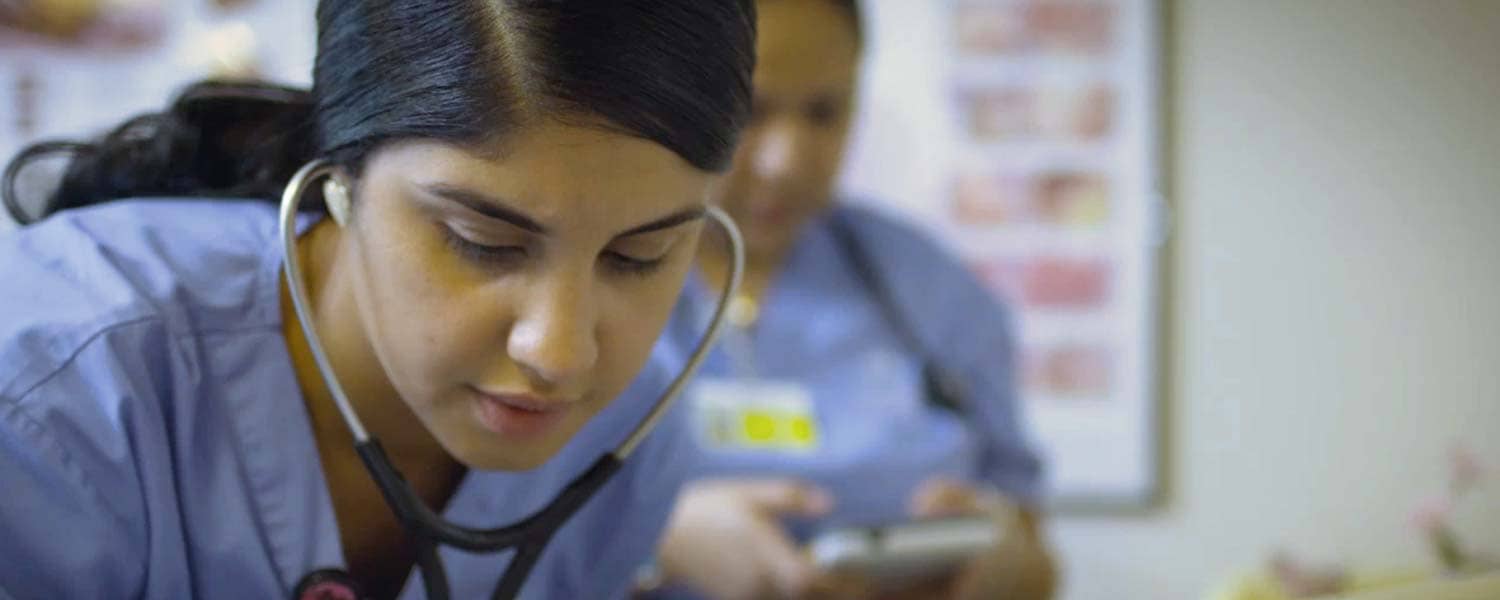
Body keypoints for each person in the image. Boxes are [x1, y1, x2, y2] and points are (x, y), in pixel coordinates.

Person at [0, 1, 754, 598]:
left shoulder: (630, 437)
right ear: (341, 183)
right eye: (482, 241)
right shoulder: (50, 399)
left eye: (638, 256)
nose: (559, 354)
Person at [643, 1, 1057, 598]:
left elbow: (1033, 542)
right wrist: (660, 541)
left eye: (824, 113)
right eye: (750, 112)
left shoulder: (929, 288)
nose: (786, 161)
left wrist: (1006, 564)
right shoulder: (589, 277)